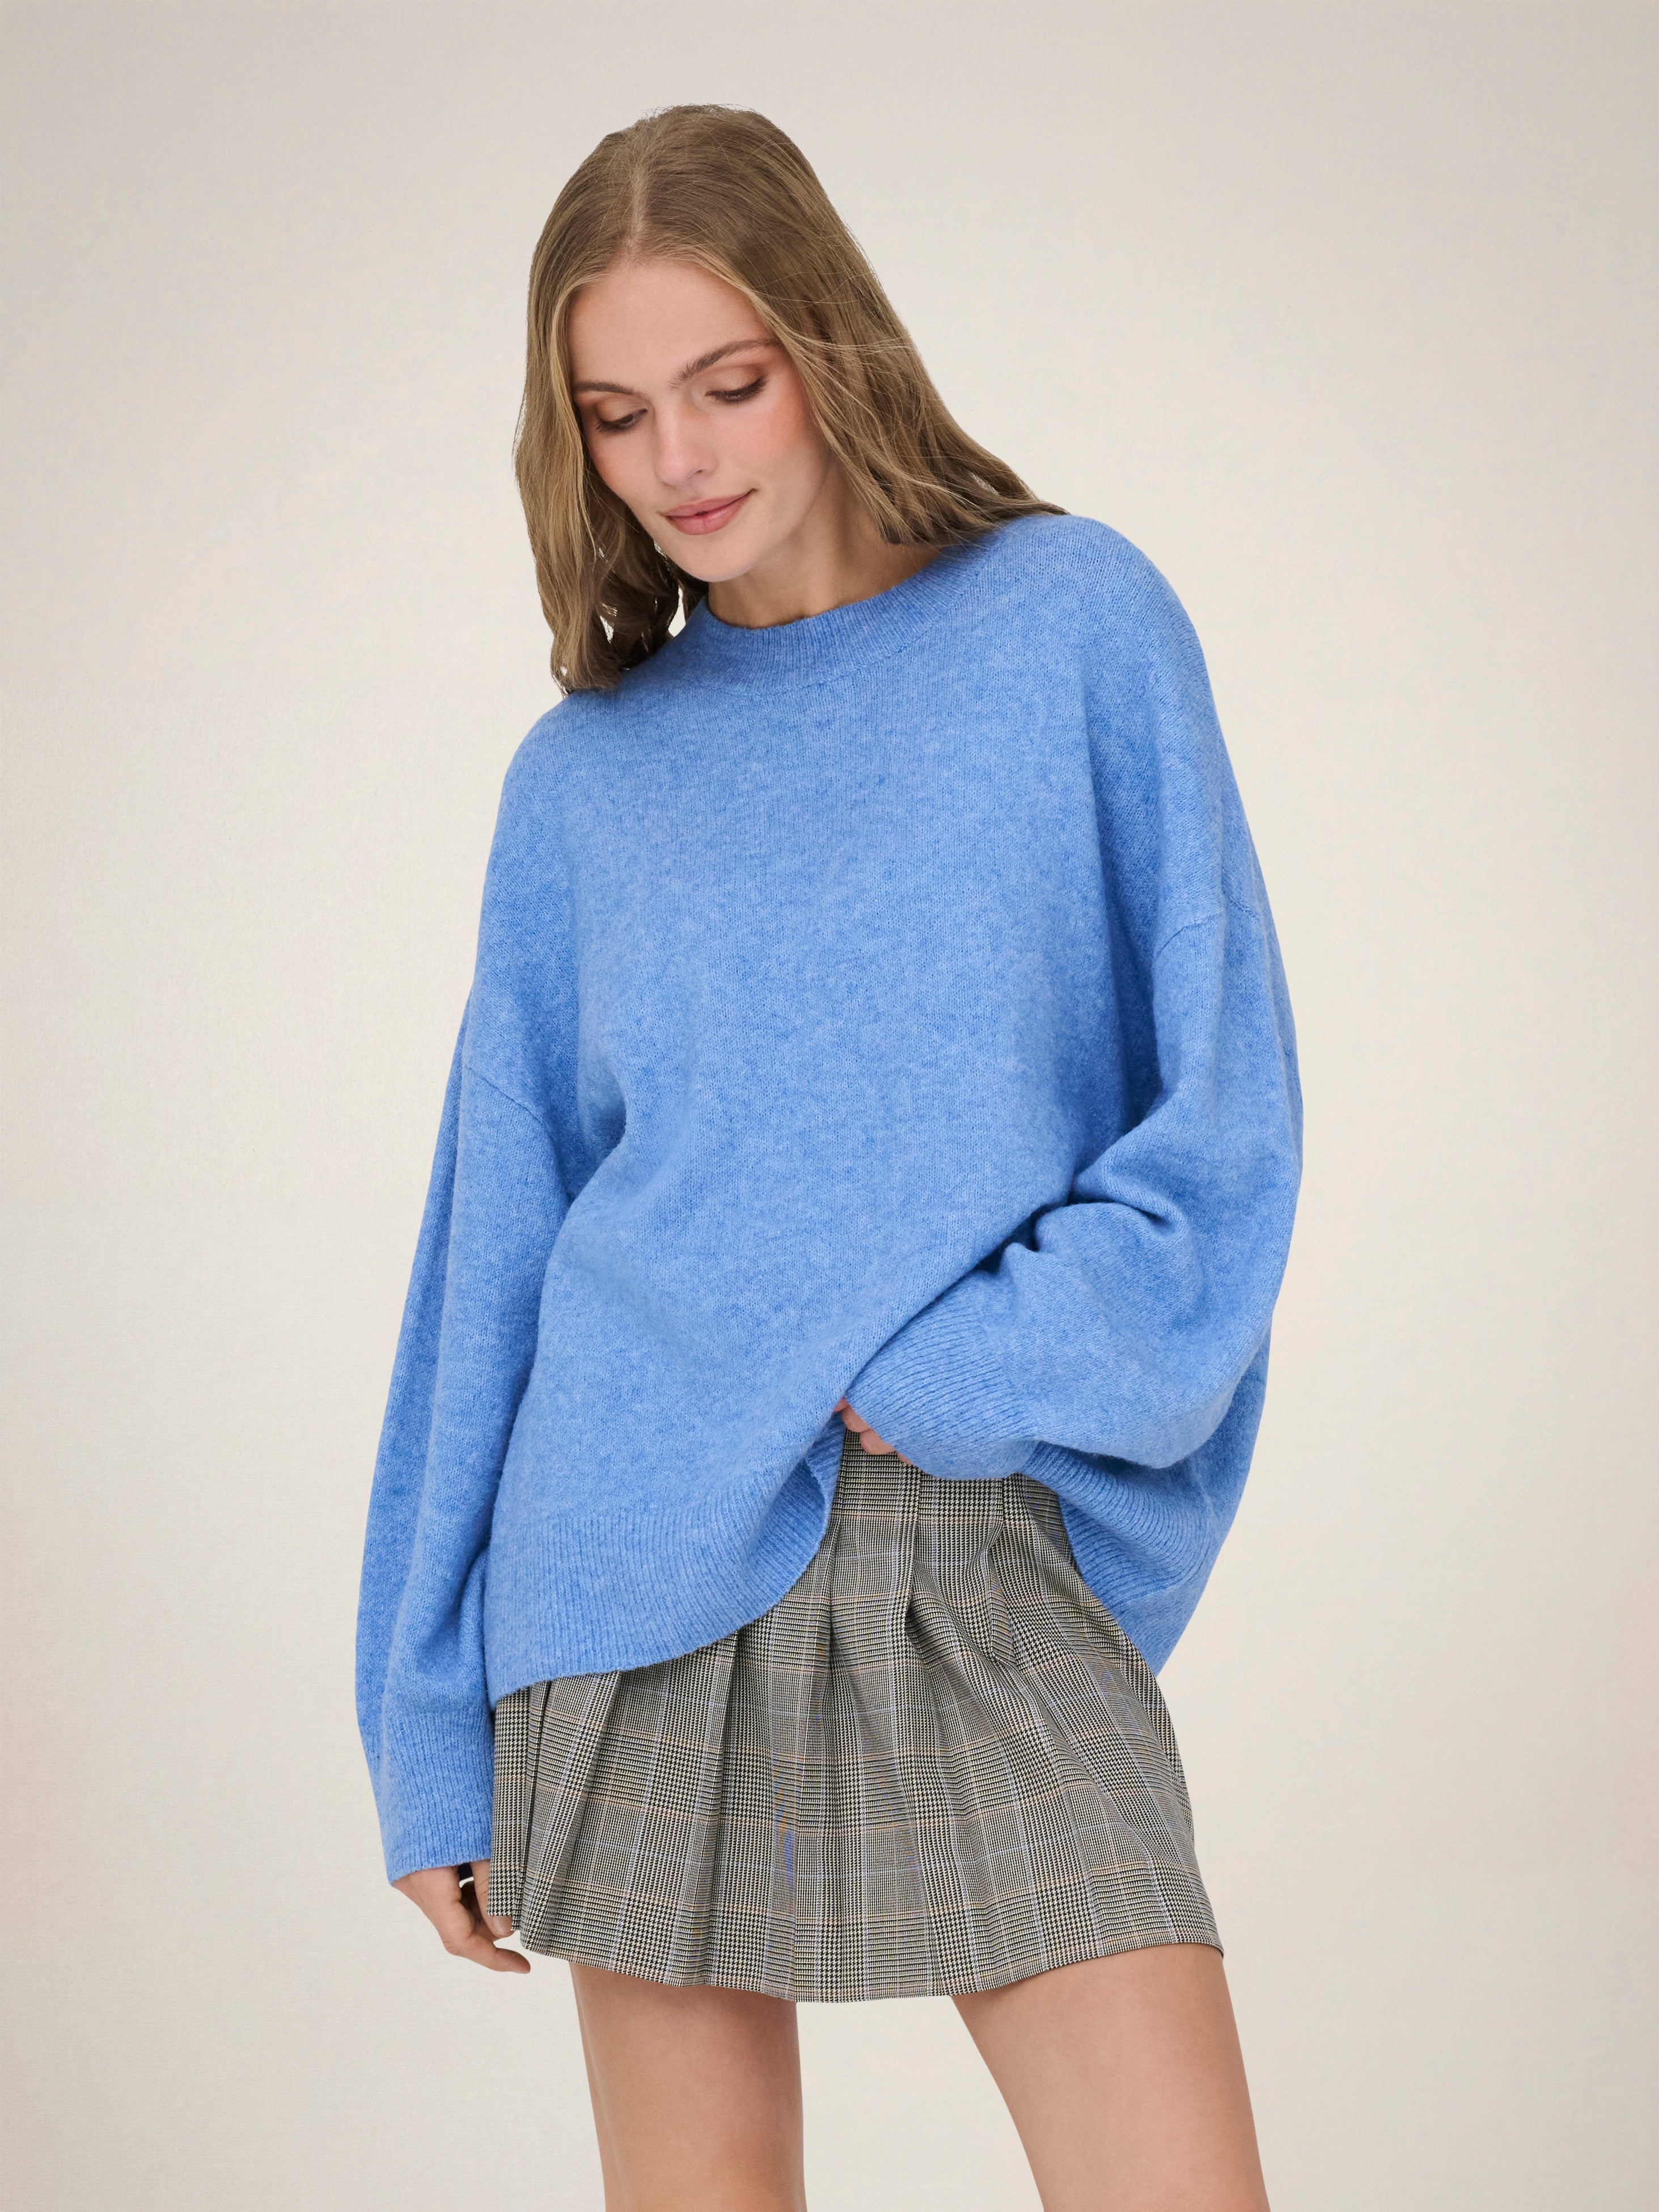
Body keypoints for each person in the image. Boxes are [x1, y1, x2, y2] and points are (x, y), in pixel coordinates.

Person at [355, 101, 1301, 2212]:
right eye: (616, 416)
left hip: (966, 1532)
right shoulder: (584, 781)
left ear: (830, 343)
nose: (678, 461)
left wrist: (965, 1375)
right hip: (627, 1560)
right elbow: (492, 1244)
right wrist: (421, 1721)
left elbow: (1222, 1111)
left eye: (728, 383)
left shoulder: (1072, 624)